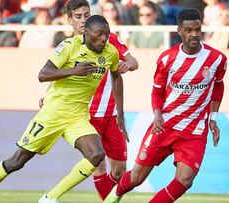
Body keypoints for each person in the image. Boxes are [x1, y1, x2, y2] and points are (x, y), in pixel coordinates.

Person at [0, 15, 125, 203]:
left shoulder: (111, 53)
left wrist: (120, 112)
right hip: (52, 114)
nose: (104, 39)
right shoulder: (69, 46)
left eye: (107, 34)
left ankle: (50, 197)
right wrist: (73, 70)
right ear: (86, 33)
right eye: (100, 34)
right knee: (17, 161)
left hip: (78, 116)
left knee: (96, 154)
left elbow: (116, 76)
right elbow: (43, 74)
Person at [104, 8, 228, 203]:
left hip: (194, 131)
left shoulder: (217, 59)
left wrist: (213, 118)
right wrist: (157, 114)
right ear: (179, 30)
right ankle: (114, 195)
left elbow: (218, 86)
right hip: (165, 125)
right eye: (188, 30)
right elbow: (157, 91)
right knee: (136, 177)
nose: (194, 34)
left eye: (197, 29)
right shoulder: (167, 59)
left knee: (185, 180)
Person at [39, 0, 138, 200]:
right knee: (97, 163)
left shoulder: (109, 41)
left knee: (119, 171)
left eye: (86, 15)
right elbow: (60, 74)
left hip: (110, 113)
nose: (84, 20)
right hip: (86, 114)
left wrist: (126, 65)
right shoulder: (68, 45)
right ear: (70, 21)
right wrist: (48, 96)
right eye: (79, 16)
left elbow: (134, 62)